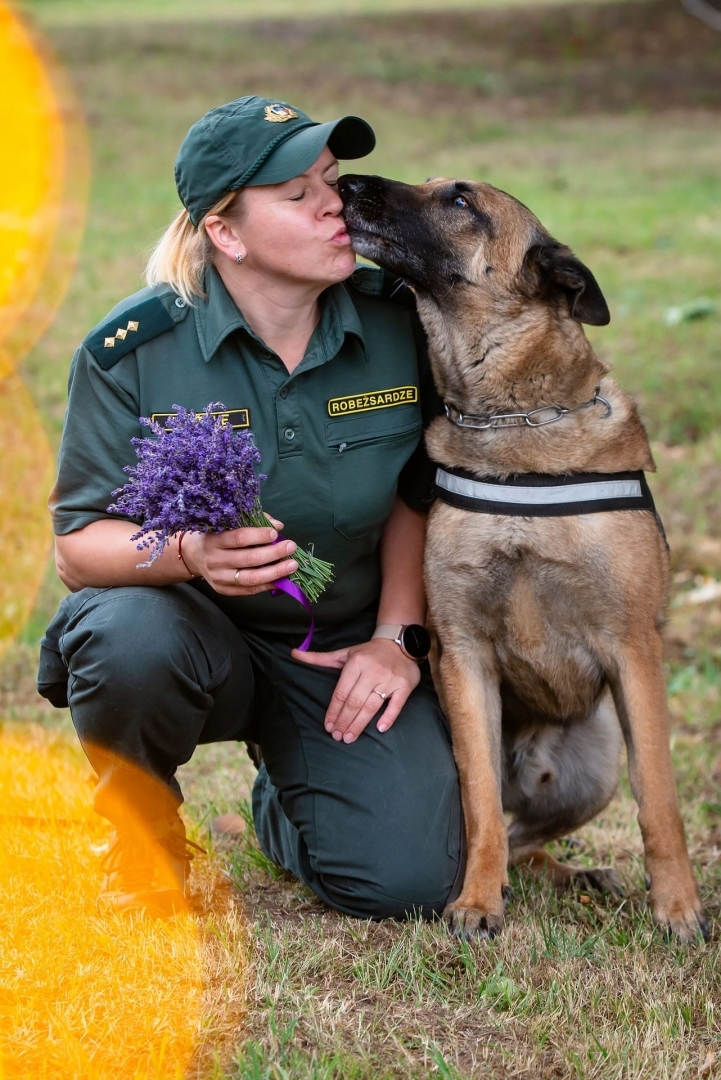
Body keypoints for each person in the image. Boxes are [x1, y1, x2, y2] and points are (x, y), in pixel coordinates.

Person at [37, 95, 463, 920]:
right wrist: (188, 557)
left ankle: (290, 797)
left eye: (329, 181)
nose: (333, 205)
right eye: (296, 196)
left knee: (407, 884)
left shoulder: (399, 320)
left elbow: (421, 487)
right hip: (195, 642)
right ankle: (142, 840)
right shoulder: (134, 352)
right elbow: (78, 548)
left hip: (341, 648)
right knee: (123, 633)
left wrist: (396, 638)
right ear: (225, 233)